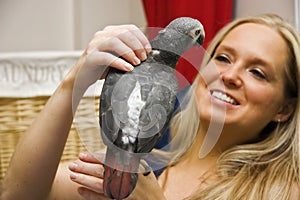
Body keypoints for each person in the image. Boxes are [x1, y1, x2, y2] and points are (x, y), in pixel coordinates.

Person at [1, 13, 300, 200]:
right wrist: (72, 83)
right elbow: (19, 195)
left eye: (257, 72)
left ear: (284, 109)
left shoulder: (280, 191)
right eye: (222, 58)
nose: (230, 76)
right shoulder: (143, 165)